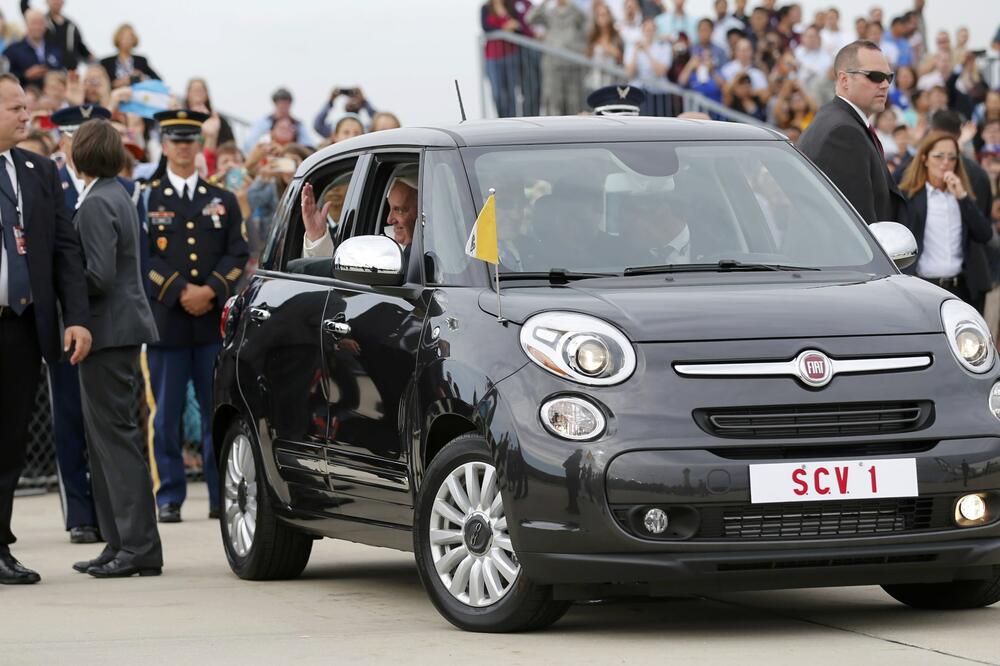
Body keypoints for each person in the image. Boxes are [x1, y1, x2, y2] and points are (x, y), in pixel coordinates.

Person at [0, 72, 92, 585]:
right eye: (14, 107)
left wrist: (75, 317)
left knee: (10, 442)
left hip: (20, 328)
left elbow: (64, 251)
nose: (25, 115)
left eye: (24, 106)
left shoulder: (37, 170)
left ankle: (0, 545)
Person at [143, 109, 248, 523]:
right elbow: (141, 255)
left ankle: (221, 495)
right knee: (165, 416)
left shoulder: (219, 199)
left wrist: (211, 290)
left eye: (189, 140)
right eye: (175, 140)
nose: (183, 148)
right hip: (166, 323)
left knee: (214, 414)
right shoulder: (147, 197)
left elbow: (238, 253)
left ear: (198, 146)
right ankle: (169, 494)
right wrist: (180, 290)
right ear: (164, 146)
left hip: (209, 324)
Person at [68, 118, 161, 578]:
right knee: (110, 440)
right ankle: (121, 540)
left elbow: (98, 276)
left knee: (115, 440)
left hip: (107, 331)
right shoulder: (116, 195)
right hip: (119, 330)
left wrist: (61, 285)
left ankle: (137, 545)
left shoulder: (96, 203)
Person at [799, 40, 907, 225]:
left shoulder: (838, 120)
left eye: (889, 77)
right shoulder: (843, 132)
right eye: (874, 76)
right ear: (844, 80)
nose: (884, 85)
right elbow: (859, 226)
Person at [899, 130, 993, 309]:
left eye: (952, 158)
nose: (945, 163)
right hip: (923, 286)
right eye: (939, 156)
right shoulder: (909, 196)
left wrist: (963, 197)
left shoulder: (961, 195)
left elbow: (985, 234)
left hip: (961, 288)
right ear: (925, 159)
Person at [301, 165, 418, 259]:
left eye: (399, 210)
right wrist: (317, 237)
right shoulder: (382, 247)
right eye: (390, 208)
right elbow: (337, 277)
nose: (389, 219)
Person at [527, 0, 588, 116]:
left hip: (572, 66)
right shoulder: (549, 13)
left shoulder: (575, 12)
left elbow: (587, 20)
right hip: (553, 65)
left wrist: (570, 4)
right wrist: (544, 2)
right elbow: (530, 18)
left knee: (573, 102)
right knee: (554, 101)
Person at [19, 0, 92, 70]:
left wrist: (92, 58)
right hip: (49, 70)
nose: (56, 1)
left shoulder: (71, 25)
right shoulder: (42, 21)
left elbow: (81, 47)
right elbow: (25, 8)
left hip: (70, 71)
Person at [4, 9, 64, 89]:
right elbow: (4, 77)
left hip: (51, 98)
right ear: (26, 24)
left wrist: (50, 75)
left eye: (40, 23)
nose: (37, 27)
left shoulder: (55, 50)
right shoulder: (12, 50)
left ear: (45, 25)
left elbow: (62, 75)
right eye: (33, 23)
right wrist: (25, 76)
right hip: (24, 97)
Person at [242, 87, 312, 152]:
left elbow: (309, 146)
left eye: (286, 104)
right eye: (281, 104)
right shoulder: (264, 122)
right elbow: (249, 143)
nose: (283, 107)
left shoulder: (298, 124)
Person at [99, 24, 159, 89]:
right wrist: (117, 83)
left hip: (137, 96)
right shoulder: (106, 62)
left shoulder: (141, 61)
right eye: (124, 37)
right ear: (117, 39)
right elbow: (99, 85)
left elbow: (158, 80)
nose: (127, 40)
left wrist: (142, 76)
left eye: (130, 37)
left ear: (134, 40)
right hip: (115, 96)